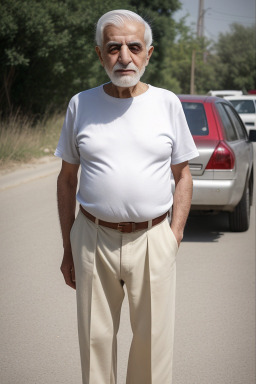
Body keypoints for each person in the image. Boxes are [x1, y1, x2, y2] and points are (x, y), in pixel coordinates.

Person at [55, 9, 199, 384]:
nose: (124, 57)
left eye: (134, 47)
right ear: (99, 54)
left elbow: (182, 176)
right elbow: (67, 178)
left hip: (153, 238)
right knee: (95, 342)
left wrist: (174, 234)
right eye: (113, 47)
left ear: (148, 53)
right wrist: (69, 247)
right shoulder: (80, 104)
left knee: (153, 348)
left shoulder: (167, 103)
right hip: (92, 237)